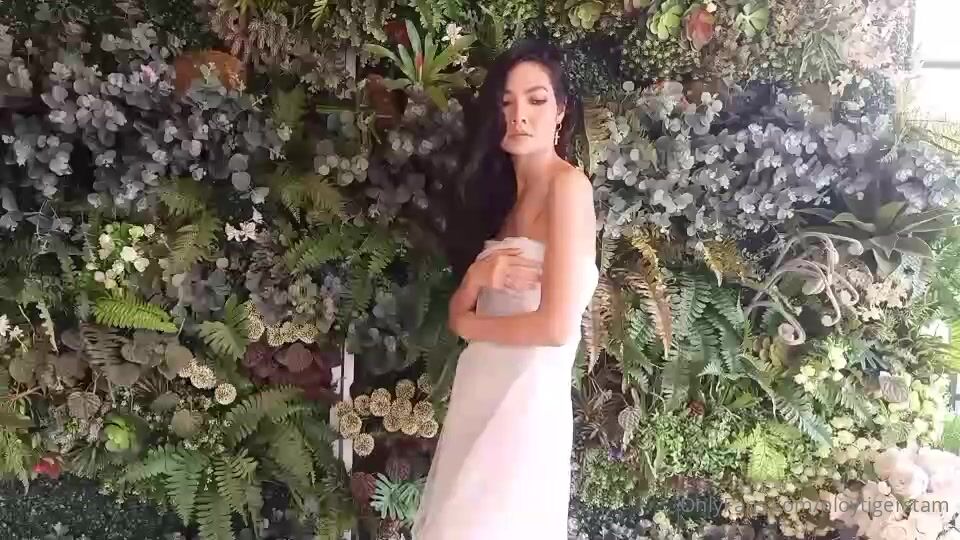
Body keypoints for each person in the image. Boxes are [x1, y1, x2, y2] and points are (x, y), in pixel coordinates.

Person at [412, 40, 599, 539]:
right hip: (480, 389)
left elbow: (555, 327)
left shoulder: (568, 187)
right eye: (506, 101)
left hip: (525, 404)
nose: (519, 114)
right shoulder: (501, 203)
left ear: (561, 111)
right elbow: (462, 309)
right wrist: (475, 281)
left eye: (536, 100)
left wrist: (467, 323)